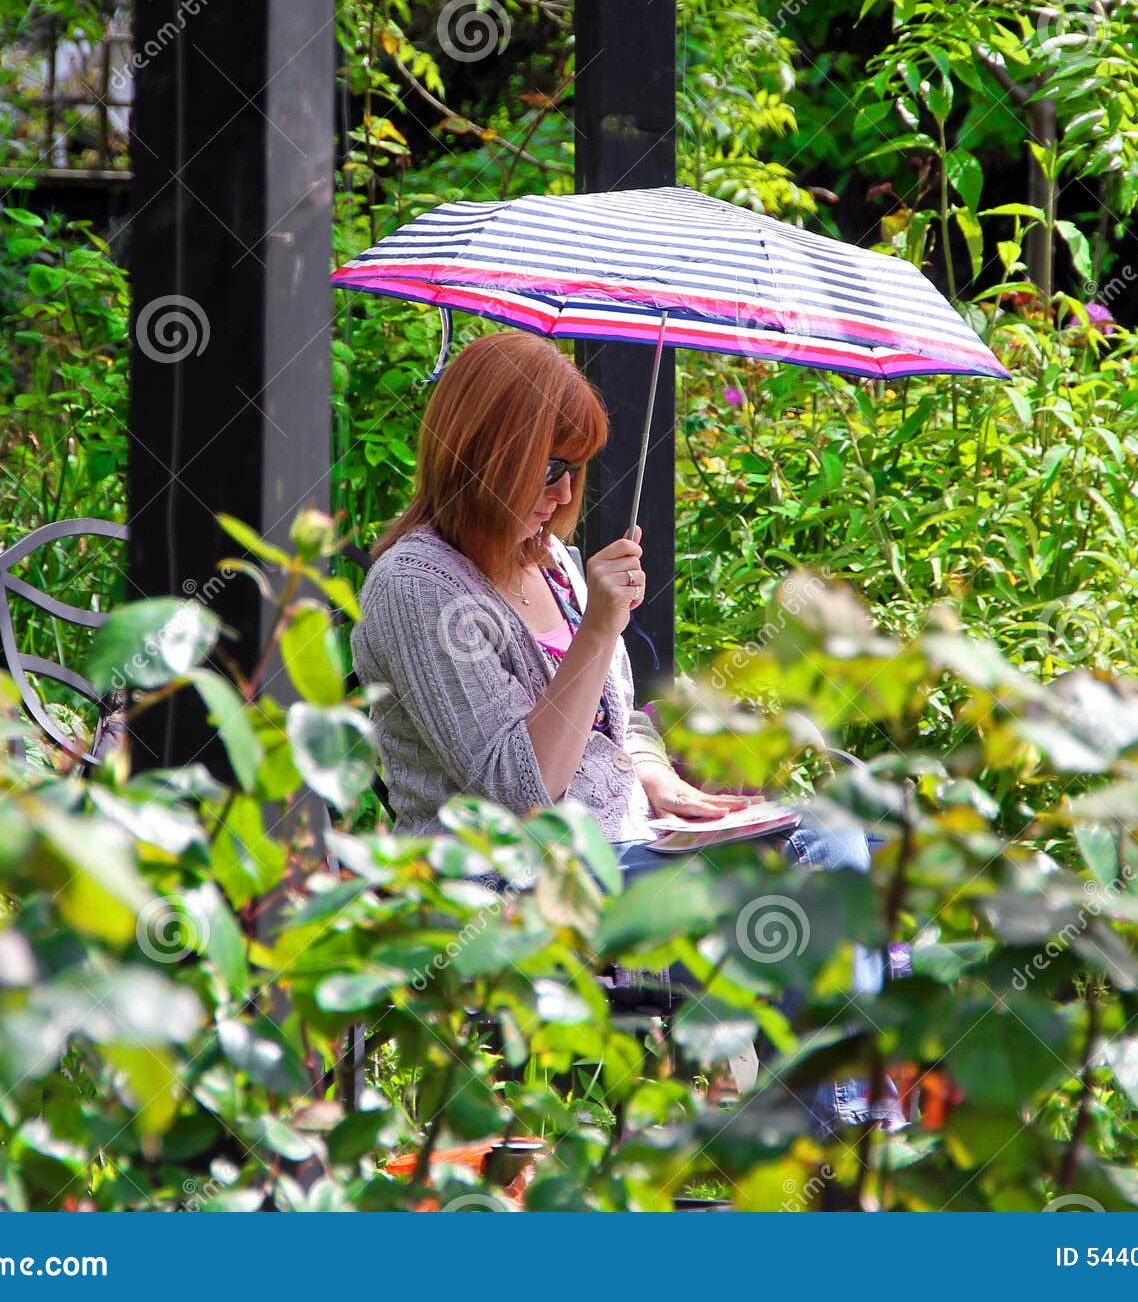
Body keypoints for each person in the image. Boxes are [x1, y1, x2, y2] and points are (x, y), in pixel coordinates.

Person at [350, 330, 903, 1133]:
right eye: (547, 467)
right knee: (822, 876)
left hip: (626, 852)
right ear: (482, 453)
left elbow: (610, 723)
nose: (565, 489)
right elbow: (520, 787)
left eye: (576, 466)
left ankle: (828, 1135)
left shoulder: (553, 564)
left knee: (859, 849)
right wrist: (600, 627)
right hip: (518, 886)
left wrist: (654, 771)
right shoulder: (418, 585)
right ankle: (839, 1146)